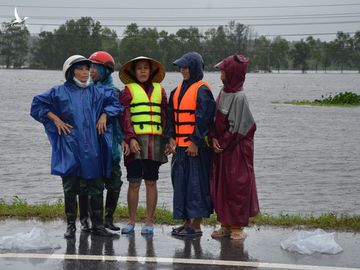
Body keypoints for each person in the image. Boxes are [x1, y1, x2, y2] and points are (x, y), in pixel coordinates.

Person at [30, 55, 122, 238]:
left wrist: (105, 115)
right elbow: (37, 104)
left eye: (87, 68)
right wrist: (56, 120)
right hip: (70, 146)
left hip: (93, 147)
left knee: (96, 185)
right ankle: (71, 226)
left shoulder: (98, 92)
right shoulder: (59, 92)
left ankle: (98, 226)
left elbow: (116, 103)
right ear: (70, 71)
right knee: (70, 186)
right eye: (80, 68)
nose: (84, 72)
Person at [209, 55, 260, 240]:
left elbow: (239, 127)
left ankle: (238, 227)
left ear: (233, 73)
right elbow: (215, 119)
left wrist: (222, 142)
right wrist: (213, 138)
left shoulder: (240, 97)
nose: (221, 74)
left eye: (224, 71)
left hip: (237, 149)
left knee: (237, 185)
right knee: (221, 186)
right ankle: (225, 224)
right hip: (223, 148)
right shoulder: (223, 92)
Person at [166, 52, 216, 237]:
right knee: (181, 185)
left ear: (195, 68)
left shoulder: (202, 90)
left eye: (186, 67)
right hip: (180, 148)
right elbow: (171, 117)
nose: (183, 71)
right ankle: (186, 223)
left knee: (196, 187)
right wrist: (170, 137)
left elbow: (204, 118)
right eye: (181, 67)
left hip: (196, 149)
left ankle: (196, 226)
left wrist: (195, 142)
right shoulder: (177, 90)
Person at [118, 56, 168, 236]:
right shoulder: (127, 91)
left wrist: (168, 139)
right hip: (135, 142)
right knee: (134, 182)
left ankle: (149, 221)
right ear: (134, 72)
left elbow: (165, 116)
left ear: (151, 71)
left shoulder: (160, 91)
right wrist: (130, 138)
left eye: (146, 68)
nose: (143, 71)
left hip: (155, 142)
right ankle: (131, 221)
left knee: (151, 181)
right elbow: (124, 117)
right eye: (139, 68)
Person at [89, 51, 130, 231]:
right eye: (90, 67)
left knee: (114, 183)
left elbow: (118, 111)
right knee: (95, 185)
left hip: (111, 148)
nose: (91, 71)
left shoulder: (114, 92)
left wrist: (123, 141)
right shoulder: (86, 90)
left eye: (95, 68)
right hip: (92, 147)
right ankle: (94, 222)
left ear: (105, 71)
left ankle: (108, 219)